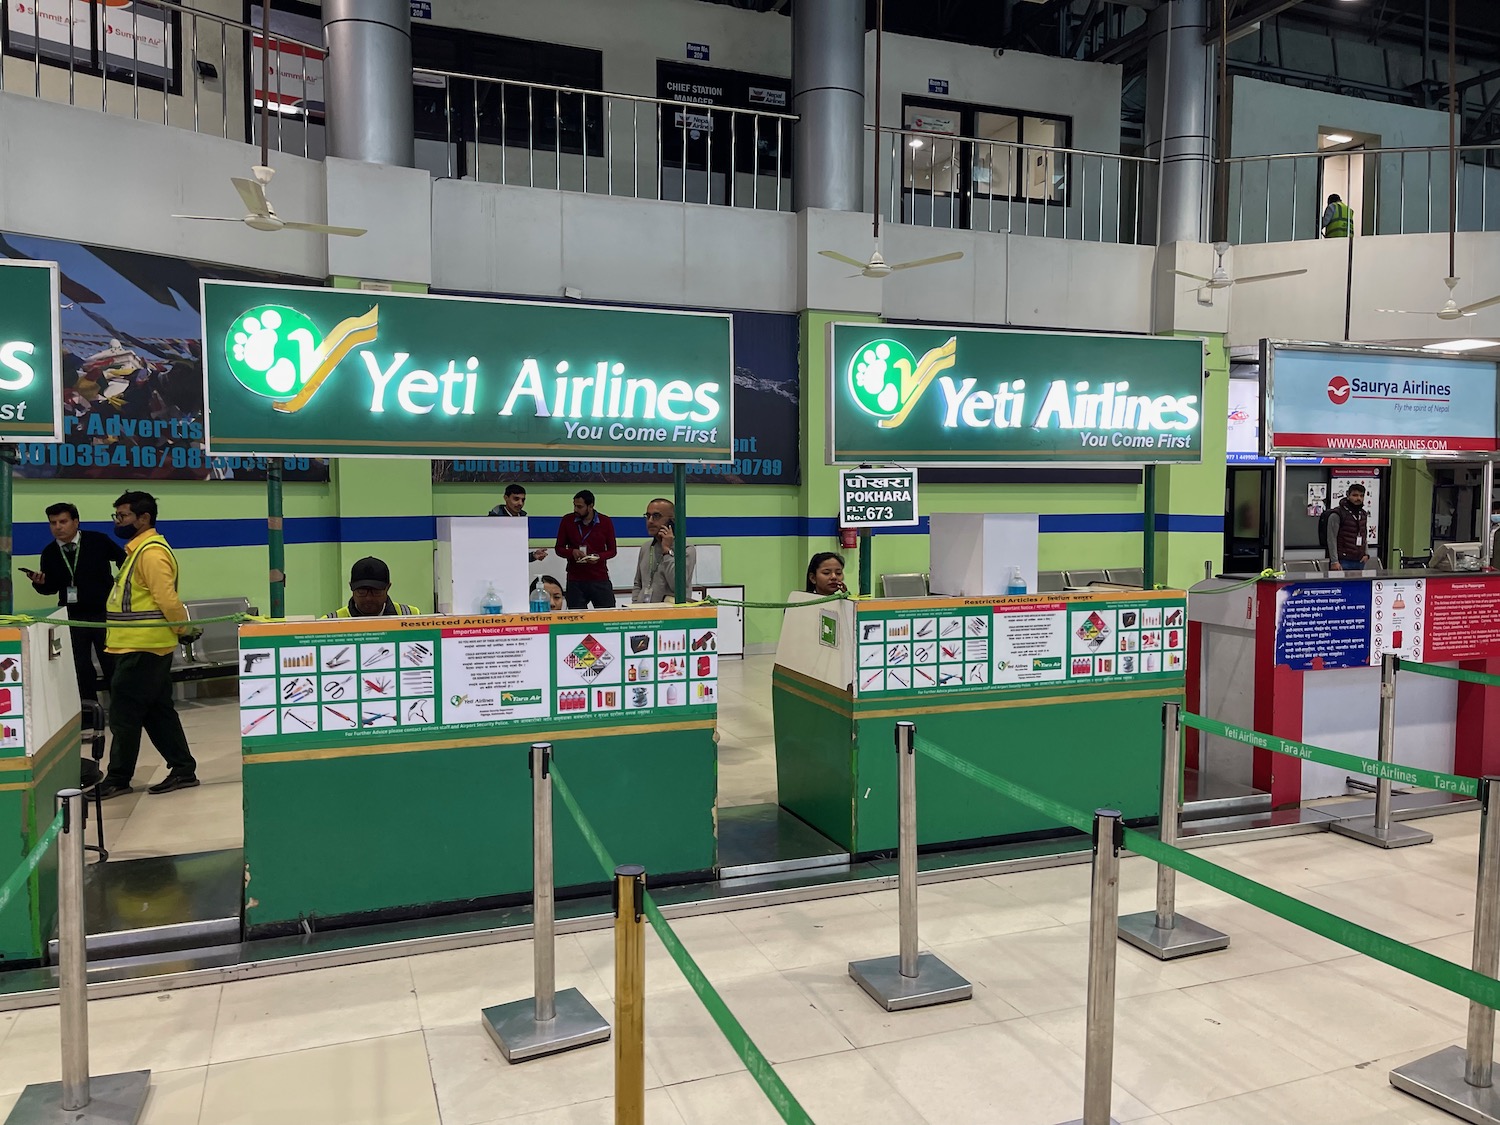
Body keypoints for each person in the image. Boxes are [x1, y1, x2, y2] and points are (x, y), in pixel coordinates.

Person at [96, 491, 197, 800]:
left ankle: (118, 778)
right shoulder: (137, 551)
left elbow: (167, 599)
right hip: (139, 646)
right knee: (157, 712)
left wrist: (182, 629)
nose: (118, 521)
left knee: (125, 716)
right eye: (116, 516)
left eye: (123, 516)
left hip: (142, 649)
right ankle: (183, 769)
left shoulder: (151, 553)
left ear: (144, 519)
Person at [25, 502, 126, 705]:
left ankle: (122, 711)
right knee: (79, 667)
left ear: (76, 522)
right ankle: (88, 713)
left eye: (63, 521)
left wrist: (121, 584)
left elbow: (123, 559)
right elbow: (51, 588)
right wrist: (40, 584)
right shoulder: (50, 552)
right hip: (72, 616)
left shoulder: (97, 540)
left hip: (103, 614)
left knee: (112, 664)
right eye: (53, 523)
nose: (58, 527)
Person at [554, 489, 618, 608]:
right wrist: (572, 552)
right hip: (575, 580)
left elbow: (612, 551)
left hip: (599, 578)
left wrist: (599, 557)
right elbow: (559, 548)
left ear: (590, 506)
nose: (575, 510)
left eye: (579, 507)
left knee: (607, 616)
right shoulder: (567, 521)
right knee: (576, 619)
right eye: (574, 506)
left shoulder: (605, 522)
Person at [632, 498, 697, 603]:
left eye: (656, 516)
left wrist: (667, 551)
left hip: (670, 614)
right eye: (648, 516)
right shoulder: (646, 547)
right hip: (643, 612)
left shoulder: (686, 549)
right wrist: (635, 604)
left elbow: (678, 586)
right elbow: (638, 583)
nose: (650, 521)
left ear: (672, 521)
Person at [324, 557, 421, 618]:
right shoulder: (330, 622)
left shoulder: (411, 616)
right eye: (362, 591)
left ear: (388, 588)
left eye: (376, 592)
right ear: (351, 587)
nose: (369, 598)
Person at [488, 484, 550, 560]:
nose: (520, 503)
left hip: (517, 568)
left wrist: (533, 556)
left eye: (523, 500)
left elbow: (516, 552)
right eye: (516, 499)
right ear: (506, 498)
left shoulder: (523, 519)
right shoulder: (493, 520)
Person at [1324, 484, 1370, 573]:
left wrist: (1366, 554)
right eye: (1355, 495)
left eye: (1361, 495)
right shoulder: (1337, 514)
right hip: (1343, 561)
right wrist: (1334, 561)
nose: (1358, 498)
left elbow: (1364, 535)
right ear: (1348, 495)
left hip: (1360, 560)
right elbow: (1331, 538)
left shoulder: (1363, 514)